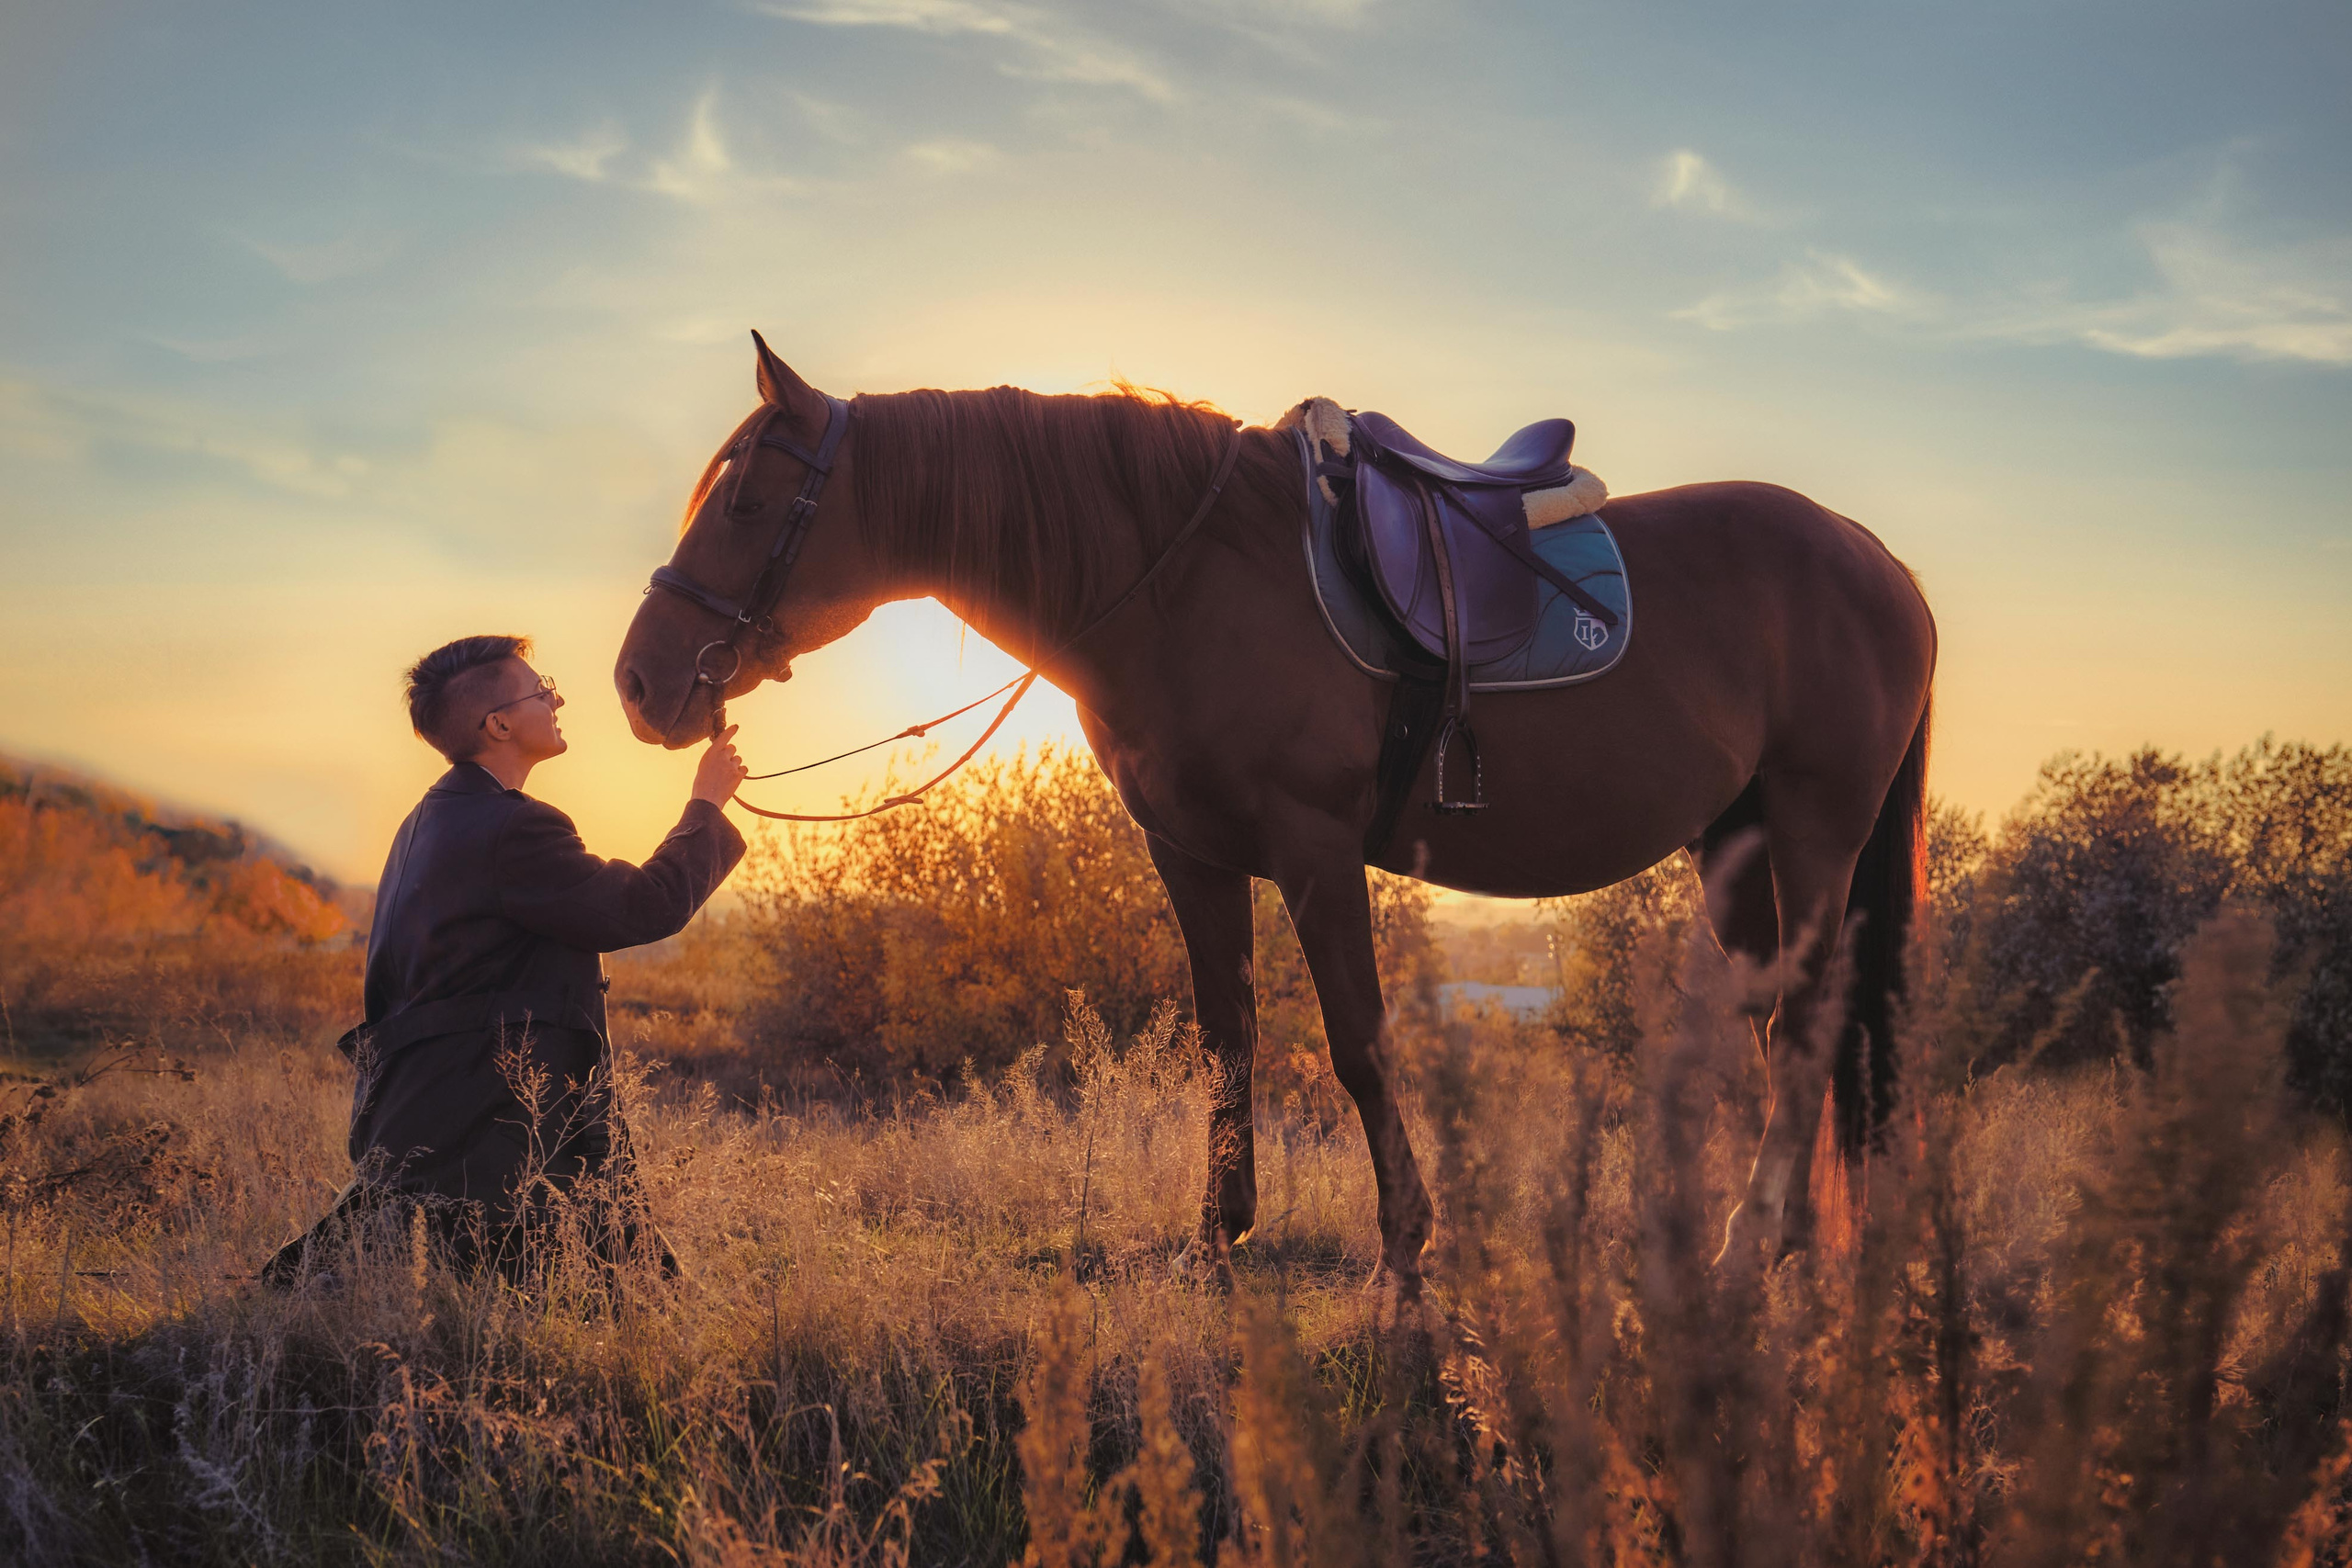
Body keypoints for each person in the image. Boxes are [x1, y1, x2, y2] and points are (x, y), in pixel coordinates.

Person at [265, 634, 748, 1288]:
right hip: (496, 1124)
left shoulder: (422, 821)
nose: (555, 698)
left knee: (617, 1286)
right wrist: (706, 804)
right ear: (498, 724)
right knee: (587, 1293)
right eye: (540, 690)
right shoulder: (515, 829)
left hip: (427, 1112)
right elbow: (642, 907)